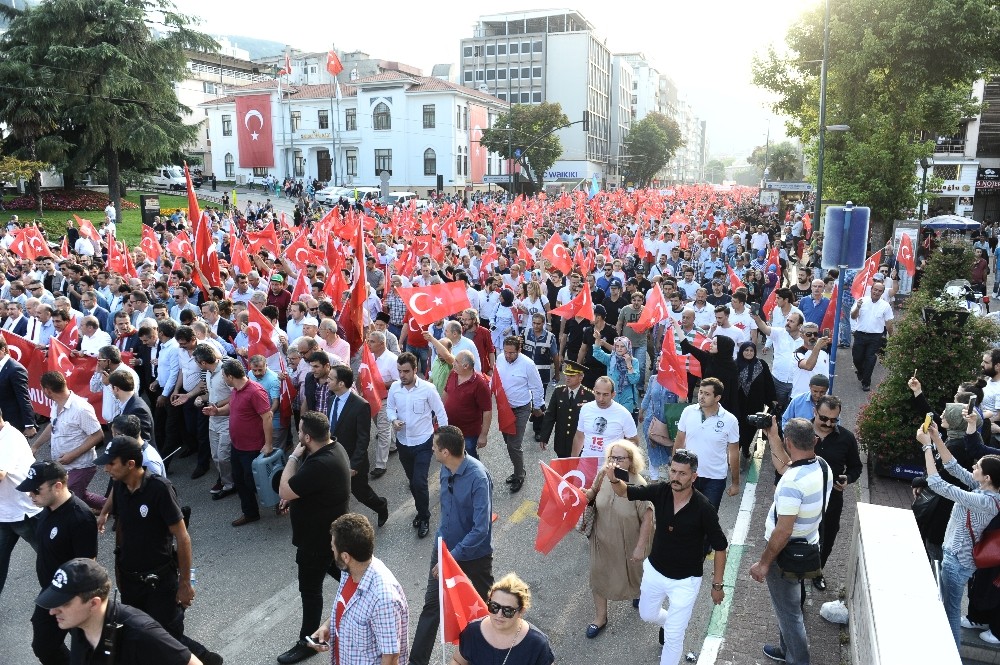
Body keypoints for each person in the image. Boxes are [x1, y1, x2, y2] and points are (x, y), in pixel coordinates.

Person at [95, 437, 221, 665]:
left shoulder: (159, 489)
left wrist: (185, 583)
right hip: (131, 583)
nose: (106, 469)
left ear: (130, 464)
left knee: (168, 638)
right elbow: (117, 507)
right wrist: (104, 512)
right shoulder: (120, 485)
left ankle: (206, 660)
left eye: (111, 464)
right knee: (140, 636)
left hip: (160, 583)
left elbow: (182, 538)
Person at [609, 449, 728, 665]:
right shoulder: (661, 491)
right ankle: (671, 622)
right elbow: (626, 492)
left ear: (694, 477)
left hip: (686, 581)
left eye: (682, 473)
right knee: (646, 614)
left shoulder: (704, 508)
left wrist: (717, 585)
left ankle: (674, 626)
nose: (675, 477)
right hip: (655, 571)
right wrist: (614, 479)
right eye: (673, 471)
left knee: (674, 637)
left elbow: (721, 547)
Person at [750, 418, 834, 663]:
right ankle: (787, 650)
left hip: (785, 554)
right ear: (814, 441)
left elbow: (783, 530)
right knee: (792, 605)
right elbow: (787, 466)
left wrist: (764, 563)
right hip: (808, 545)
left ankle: (798, 659)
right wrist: (773, 436)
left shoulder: (791, 483)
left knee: (789, 613)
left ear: (789, 441)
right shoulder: (821, 465)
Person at [410, 425, 494, 665]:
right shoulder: (446, 469)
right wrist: (442, 549)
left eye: (435, 447)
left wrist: (452, 557)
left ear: (446, 451)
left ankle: (499, 652)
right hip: (444, 548)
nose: (432, 450)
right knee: (432, 607)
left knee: (486, 607)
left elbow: (481, 529)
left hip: (473, 558)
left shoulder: (478, 478)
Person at [275, 411, 352, 664]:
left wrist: (293, 456)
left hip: (317, 542)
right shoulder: (333, 447)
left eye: (300, 431)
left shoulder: (319, 462)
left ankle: (308, 642)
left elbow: (285, 487)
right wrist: (293, 498)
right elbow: (303, 487)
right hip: (328, 537)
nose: (297, 435)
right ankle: (361, 603)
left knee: (310, 590)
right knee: (345, 576)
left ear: (307, 437)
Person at [920, 416, 1000, 647]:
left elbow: (938, 484)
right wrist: (935, 437)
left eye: (977, 467)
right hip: (956, 558)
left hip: (958, 562)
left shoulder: (984, 501)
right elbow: (953, 467)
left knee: (951, 611)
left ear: (987, 478)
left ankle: (950, 653)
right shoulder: (985, 489)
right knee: (949, 608)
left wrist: (927, 447)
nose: (972, 467)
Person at [17, 461, 98, 665]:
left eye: (36, 490)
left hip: (73, 597)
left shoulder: (80, 517)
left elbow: (87, 567)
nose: (31, 495)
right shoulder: (46, 511)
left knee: (86, 653)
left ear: (58, 486)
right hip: (50, 592)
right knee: (43, 646)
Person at [309, 513, 409, 665]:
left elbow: (391, 657)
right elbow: (347, 609)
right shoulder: (348, 571)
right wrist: (326, 626)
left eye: (333, 547)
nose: (332, 551)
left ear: (345, 556)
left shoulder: (383, 599)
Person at [582, 440, 653, 638]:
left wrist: (640, 547)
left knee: (634, 577)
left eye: (619, 458)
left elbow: (648, 519)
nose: (614, 462)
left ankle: (638, 594)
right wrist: (580, 494)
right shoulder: (604, 473)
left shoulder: (639, 485)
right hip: (601, 538)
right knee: (598, 576)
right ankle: (600, 618)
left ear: (630, 461)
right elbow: (592, 493)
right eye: (611, 457)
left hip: (628, 542)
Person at [202, 359, 273, 527]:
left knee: (255, 481)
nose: (223, 379)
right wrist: (217, 411)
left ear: (229, 376)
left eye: (224, 376)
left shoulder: (255, 392)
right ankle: (250, 513)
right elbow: (232, 408)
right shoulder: (236, 390)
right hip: (238, 445)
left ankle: (280, 500)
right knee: (240, 481)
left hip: (253, 447)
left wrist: (268, 444)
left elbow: (267, 416)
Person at [387, 352, 448, 538]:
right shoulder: (395, 388)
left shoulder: (428, 389)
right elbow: (389, 408)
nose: (402, 375)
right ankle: (421, 509)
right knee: (413, 482)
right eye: (399, 371)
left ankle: (424, 517)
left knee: (419, 482)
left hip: (424, 442)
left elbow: (441, 412)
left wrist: (443, 440)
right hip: (404, 443)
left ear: (415, 370)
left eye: (406, 371)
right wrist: (393, 420)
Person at [31, 371, 106, 511]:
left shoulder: (81, 408)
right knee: (79, 496)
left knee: (68, 503)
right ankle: (113, 505)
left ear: (47, 390)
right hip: (63, 466)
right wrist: (35, 446)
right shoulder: (56, 404)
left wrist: (72, 455)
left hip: (80, 466)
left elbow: (98, 435)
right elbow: (53, 425)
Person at [326, 365, 389, 527]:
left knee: (361, 493)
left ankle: (381, 505)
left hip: (353, 461)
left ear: (341, 383)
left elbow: (363, 439)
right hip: (334, 458)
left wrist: (354, 464)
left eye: (331, 378)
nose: (327, 380)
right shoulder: (331, 399)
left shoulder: (360, 405)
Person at [450, 573, 554, 665]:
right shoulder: (472, 632)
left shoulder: (536, 644)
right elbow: (458, 661)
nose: (499, 614)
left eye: (507, 610)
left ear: (521, 611)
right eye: (494, 607)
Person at [673, 377, 741, 510]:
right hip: (688, 475)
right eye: (700, 392)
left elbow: (733, 453)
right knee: (684, 515)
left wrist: (735, 483)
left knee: (708, 518)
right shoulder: (688, 412)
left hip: (714, 479)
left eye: (707, 394)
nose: (701, 396)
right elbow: (679, 441)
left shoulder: (730, 420)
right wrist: (674, 469)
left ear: (718, 397)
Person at [492, 336, 545, 493]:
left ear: (519, 350)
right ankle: (518, 469)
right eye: (506, 352)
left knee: (514, 445)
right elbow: (495, 378)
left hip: (521, 408)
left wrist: (537, 407)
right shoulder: (500, 358)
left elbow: (537, 387)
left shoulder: (528, 364)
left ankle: (519, 474)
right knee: (508, 442)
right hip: (504, 409)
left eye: (512, 353)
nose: (508, 356)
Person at [0, 408, 42, 597]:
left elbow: (1, 474)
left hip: (26, 513)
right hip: (4, 514)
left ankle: (74, 596)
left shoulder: (10, 438)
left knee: (51, 558)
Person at [443, 350, 493, 459]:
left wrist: (483, 435)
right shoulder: (453, 374)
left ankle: (477, 476)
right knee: (452, 457)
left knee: (470, 458)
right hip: (450, 428)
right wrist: (439, 412)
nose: (453, 363)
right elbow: (446, 392)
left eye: (456, 361)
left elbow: (487, 411)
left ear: (466, 366)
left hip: (468, 433)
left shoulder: (480, 384)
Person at [573, 376, 639, 458]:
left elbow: (633, 441)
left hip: (610, 466)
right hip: (586, 464)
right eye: (598, 393)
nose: (601, 399)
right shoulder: (585, 409)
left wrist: (620, 460)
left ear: (613, 394)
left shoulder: (623, 414)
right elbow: (579, 436)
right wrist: (573, 460)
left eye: (605, 395)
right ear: (593, 391)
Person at [539, 360, 595, 457]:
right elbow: (550, 416)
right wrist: (544, 437)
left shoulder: (590, 396)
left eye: (572, 376)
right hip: (561, 442)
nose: (568, 378)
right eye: (566, 375)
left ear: (581, 377)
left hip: (580, 444)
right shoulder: (558, 392)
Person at [734, 342, 776, 459]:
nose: (749, 353)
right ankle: (736, 448)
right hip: (739, 404)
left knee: (751, 427)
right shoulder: (735, 365)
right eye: (746, 350)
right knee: (738, 427)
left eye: (751, 350)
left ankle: (746, 447)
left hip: (755, 403)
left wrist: (772, 400)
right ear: (741, 351)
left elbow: (768, 383)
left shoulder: (761, 365)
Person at [850, 280, 894, 391]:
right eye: (875, 289)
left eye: (880, 291)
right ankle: (861, 372)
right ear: (871, 289)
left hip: (875, 337)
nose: (877, 292)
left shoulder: (885, 306)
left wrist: (892, 337)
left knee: (870, 359)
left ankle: (866, 382)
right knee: (857, 358)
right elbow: (853, 316)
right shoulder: (861, 301)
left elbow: (889, 323)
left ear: (882, 293)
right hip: (860, 334)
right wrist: (858, 308)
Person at [366, 331, 398, 479]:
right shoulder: (369, 357)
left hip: (386, 399)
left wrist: (381, 385)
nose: (369, 344)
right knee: (379, 425)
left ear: (381, 343)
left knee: (383, 429)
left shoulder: (392, 360)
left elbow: (399, 381)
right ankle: (392, 446)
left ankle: (380, 465)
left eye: (372, 341)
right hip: (373, 399)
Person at [0, 334, 38, 436]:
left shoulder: (15, 369)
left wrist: (29, 425)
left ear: (3, 349)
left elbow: (23, 398)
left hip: (13, 423)